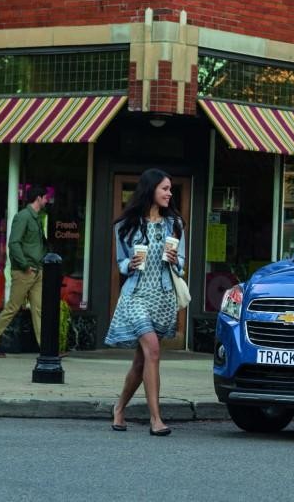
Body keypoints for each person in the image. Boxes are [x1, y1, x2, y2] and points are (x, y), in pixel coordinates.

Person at [105, 168, 185, 436]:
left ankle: (119, 407)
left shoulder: (175, 223)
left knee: (142, 361)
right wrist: (130, 264)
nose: (169, 193)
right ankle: (155, 419)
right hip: (136, 295)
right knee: (153, 350)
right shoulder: (126, 224)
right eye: (165, 188)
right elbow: (121, 262)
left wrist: (175, 261)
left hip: (162, 296)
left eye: (170, 189)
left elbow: (182, 264)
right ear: (151, 189)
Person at [0, 185, 49, 357]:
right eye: (45, 197)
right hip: (24, 272)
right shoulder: (23, 217)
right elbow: (13, 243)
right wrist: (25, 265)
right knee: (13, 307)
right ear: (38, 198)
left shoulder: (37, 218)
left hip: (37, 270)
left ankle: (46, 348)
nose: (47, 200)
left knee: (39, 309)